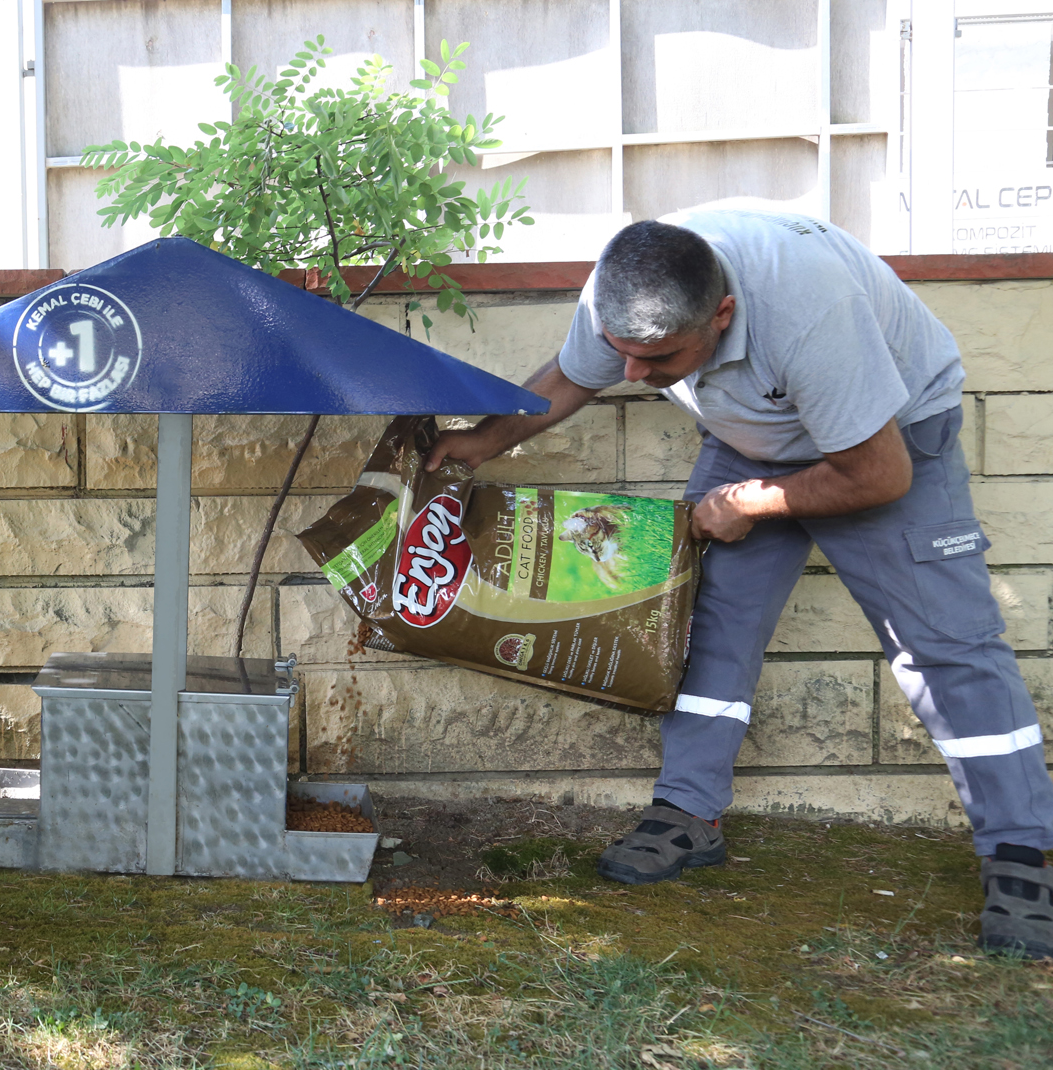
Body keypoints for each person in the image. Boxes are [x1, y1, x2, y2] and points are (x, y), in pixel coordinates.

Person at [426, 211, 1053, 960]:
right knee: (711, 622)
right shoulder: (627, 287)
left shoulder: (808, 312)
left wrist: (755, 501)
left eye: (657, 358)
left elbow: (879, 474)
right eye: (622, 351)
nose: (631, 374)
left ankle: (1019, 851)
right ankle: (688, 813)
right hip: (752, 436)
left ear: (722, 313)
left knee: (945, 642)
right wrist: (476, 443)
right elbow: (572, 374)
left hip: (890, 441)